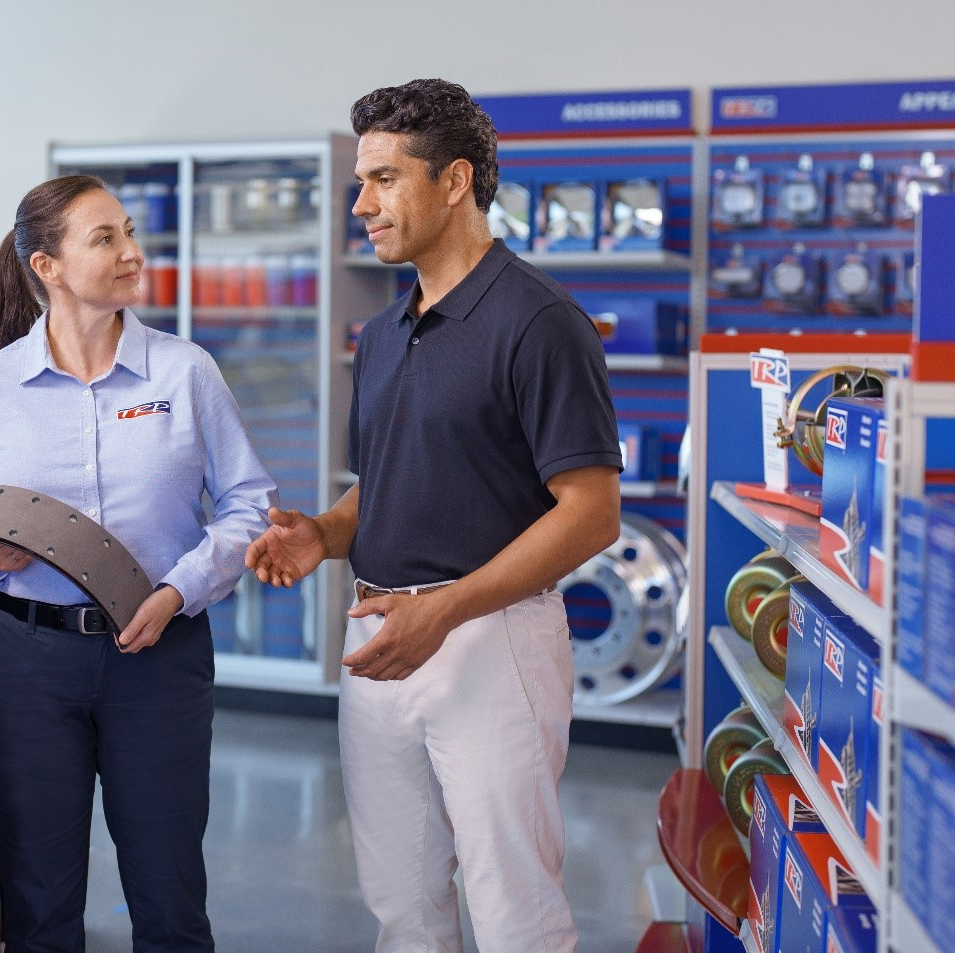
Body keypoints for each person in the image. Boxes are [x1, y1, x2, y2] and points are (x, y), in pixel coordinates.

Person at [246, 79, 623, 953]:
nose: (361, 203)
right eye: (359, 181)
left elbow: (592, 513)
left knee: (513, 911)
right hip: (379, 636)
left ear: (455, 182)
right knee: (402, 909)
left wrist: (443, 610)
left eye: (383, 179)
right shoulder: (381, 335)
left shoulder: (542, 323)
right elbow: (385, 481)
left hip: (490, 640)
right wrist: (326, 535)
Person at [0, 174, 276, 953]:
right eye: (105, 237)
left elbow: (250, 504)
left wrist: (180, 589)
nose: (131, 253)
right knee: (39, 906)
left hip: (159, 656)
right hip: (23, 663)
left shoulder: (185, 373)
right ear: (46, 266)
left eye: (128, 233)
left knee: (170, 897)